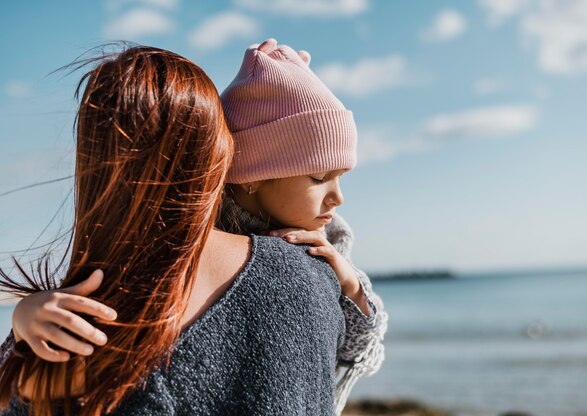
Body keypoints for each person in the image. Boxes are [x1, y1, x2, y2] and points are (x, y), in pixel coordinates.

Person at [2, 39, 388, 414]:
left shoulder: (325, 243)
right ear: (251, 172)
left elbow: (360, 349)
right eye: (320, 176)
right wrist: (23, 323)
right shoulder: (274, 260)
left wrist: (352, 286)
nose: (338, 198)